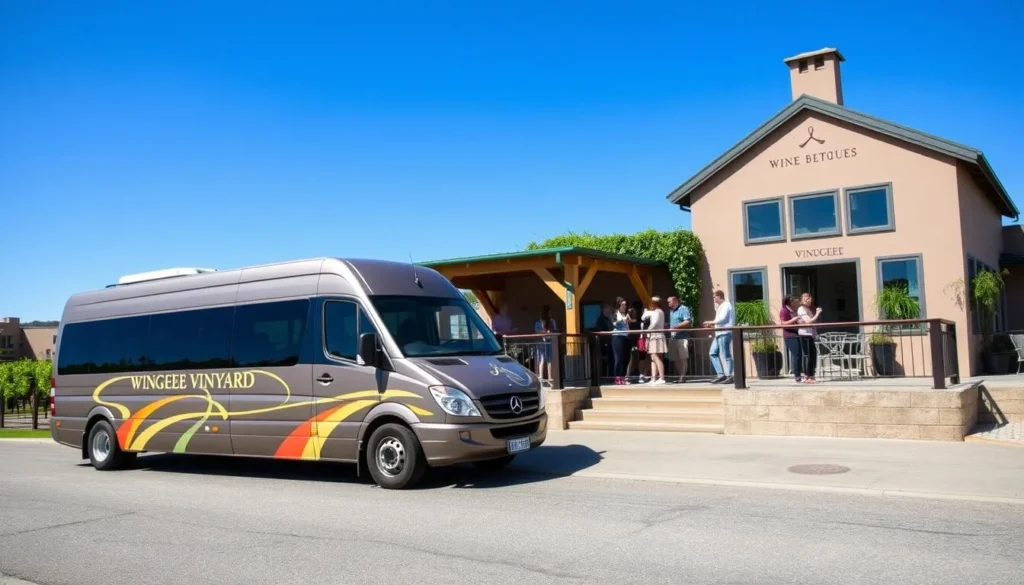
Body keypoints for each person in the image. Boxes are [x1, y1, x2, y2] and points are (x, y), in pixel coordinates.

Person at [702, 290, 735, 384]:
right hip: (719, 333)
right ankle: (721, 374)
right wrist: (712, 326)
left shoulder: (726, 305)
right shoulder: (720, 306)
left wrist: (710, 322)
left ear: (719, 296)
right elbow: (720, 322)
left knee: (726, 355)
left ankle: (730, 375)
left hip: (725, 333)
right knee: (712, 353)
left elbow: (722, 318)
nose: (713, 298)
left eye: (714, 296)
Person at [797, 292, 823, 383]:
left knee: (813, 355)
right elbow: (808, 321)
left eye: (809, 299)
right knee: (807, 355)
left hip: (810, 334)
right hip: (804, 334)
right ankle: (806, 375)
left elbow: (812, 322)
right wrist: (817, 313)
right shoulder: (801, 309)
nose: (808, 301)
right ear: (802, 300)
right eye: (806, 299)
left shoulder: (808, 309)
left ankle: (811, 375)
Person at [642, 296, 668, 385]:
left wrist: (647, 331)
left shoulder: (657, 312)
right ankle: (653, 378)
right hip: (655, 335)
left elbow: (655, 323)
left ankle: (661, 377)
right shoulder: (658, 312)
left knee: (656, 356)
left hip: (656, 336)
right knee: (653, 357)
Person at [666, 296, 692, 382]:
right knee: (675, 358)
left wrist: (676, 327)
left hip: (682, 337)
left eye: (669, 301)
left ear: (675, 300)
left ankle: (682, 377)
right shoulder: (671, 311)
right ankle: (680, 376)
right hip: (673, 338)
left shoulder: (683, 309)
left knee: (683, 358)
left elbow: (688, 321)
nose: (668, 303)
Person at [779, 295, 803, 382]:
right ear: (789, 302)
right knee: (796, 355)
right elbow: (783, 323)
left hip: (797, 334)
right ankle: (797, 375)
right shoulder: (784, 310)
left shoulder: (793, 311)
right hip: (790, 336)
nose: (795, 303)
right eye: (793, 301)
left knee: (799, 355)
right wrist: (795, 319)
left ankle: (799, 374)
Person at [611, 297, 633, 385]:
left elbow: (627, 324)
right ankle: (617, 377)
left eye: (625, 304)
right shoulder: (614, 313)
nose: (624, 306)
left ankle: (623, 377)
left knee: (626, 358)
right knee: (619, 358)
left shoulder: (626, 313)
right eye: (623, 304)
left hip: (626, 336)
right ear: (618, 305)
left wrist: (629, 320)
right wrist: (621, 320)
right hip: (617, 336)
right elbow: (614, 323)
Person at [534, 305, 557, 382]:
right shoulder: (538, 323)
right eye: (549, 312)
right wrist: (545, 332)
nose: (551, 313)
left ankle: (550, 377)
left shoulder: (552, 321)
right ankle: (541, 376)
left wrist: (546, 332)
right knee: (541, 359)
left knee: (549, 359)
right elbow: (537, 332)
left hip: (549, 341)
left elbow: (554, 331)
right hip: (541, 342)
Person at [628, 301, 648, 383]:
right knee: (632, 359)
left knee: (642, 358)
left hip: (641, 341)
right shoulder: (630, 321)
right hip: (634, 342)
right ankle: (628, 376)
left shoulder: (642, 320)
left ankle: (641, 375)